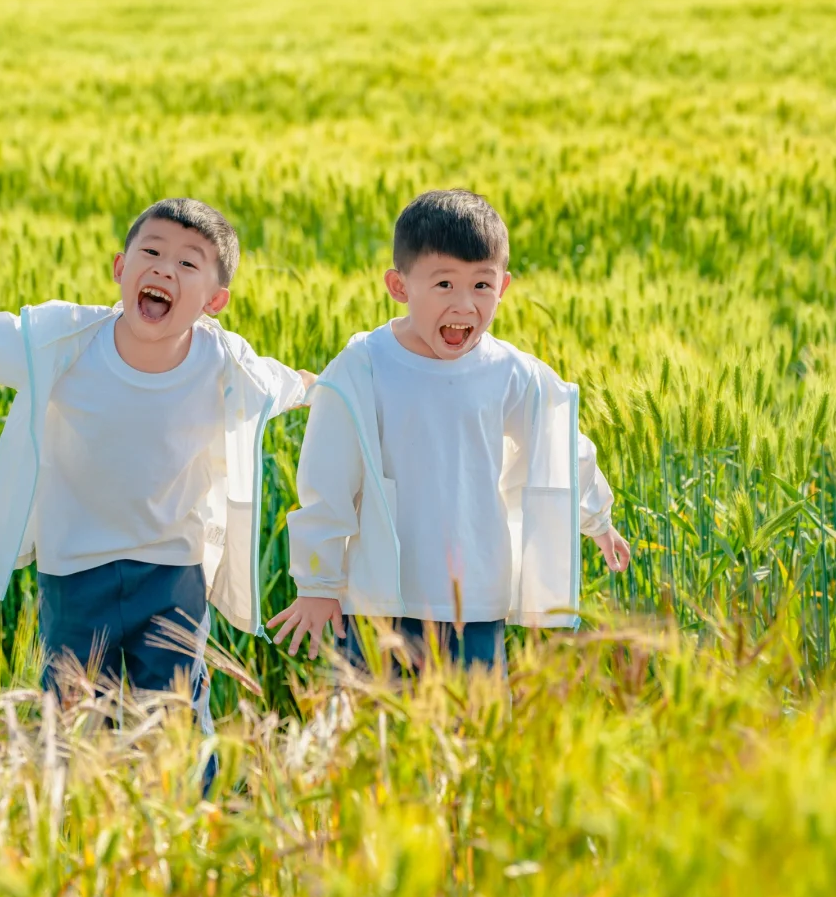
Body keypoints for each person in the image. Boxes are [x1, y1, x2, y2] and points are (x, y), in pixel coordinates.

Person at [0, 198, 314, 773]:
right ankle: (72, 830)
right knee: (73, 715)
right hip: (75, 570)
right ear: (121, 268)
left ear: (214, 301)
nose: (164, 270)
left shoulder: (225, 363)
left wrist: (317, 386)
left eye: (188, 264)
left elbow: (277, 384)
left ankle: (185, 835)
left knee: (174, 713)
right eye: (151, 252)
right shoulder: (63, 341)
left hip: (174, 570)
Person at [268, 188, 630, 676]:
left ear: (503, 287)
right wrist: (317, 584)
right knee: (375, 738)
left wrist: (597, 518)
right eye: (443, 285)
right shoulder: (363, 367)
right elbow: (327, 481)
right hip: (379, 601)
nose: (464, 304)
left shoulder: (511, 372)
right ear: (399, 285)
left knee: (472, 735)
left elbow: (562, 445)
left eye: (481, 286)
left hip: (475, 600)